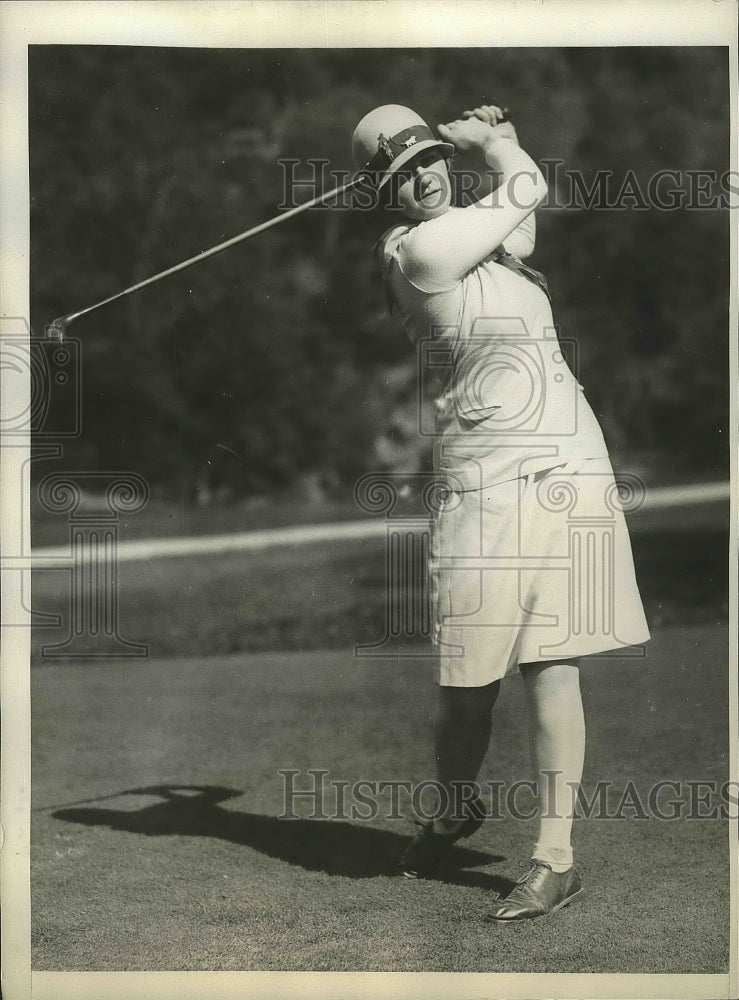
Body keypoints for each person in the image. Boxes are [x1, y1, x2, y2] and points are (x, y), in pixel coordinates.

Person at [351, 103, 650, 921]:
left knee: (554, 663)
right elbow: (524, 188)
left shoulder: (491, 238)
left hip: (566, 464)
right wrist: (494, 142)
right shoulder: (417, 253)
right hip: (481, 486)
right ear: (387, 193)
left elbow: (519, 217)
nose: (424, 176)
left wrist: (495, 140)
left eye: (431, 158)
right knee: (467, 688)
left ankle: (555, 858)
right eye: (403, 172)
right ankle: (455, 807)